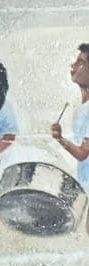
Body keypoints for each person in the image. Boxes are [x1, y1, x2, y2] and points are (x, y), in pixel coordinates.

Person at [51, 43, 89, 189]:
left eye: (80, 62)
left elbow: (82, 154)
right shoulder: (81, 107)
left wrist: (60, 138)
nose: (73, 65)